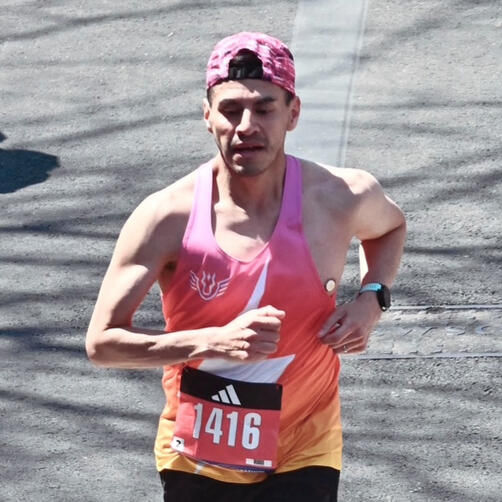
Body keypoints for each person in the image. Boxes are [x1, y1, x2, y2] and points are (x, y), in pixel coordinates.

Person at [86, 32, 406, 502]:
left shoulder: (340, 196)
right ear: (207, 115)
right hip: (198, 454)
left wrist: (372, 297)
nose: (246, 126)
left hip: (306, 446)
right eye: (231, 109)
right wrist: (211, 341)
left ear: (293, 113)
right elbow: (102, 343)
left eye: (264, 109)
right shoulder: (166, 216)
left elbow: (389, 228)